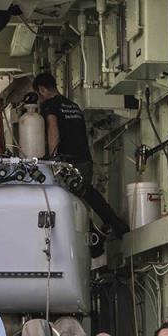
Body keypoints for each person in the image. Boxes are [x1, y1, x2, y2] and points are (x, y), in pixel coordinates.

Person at [32, 72, 128, 238]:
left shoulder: (49, 105)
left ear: (42, 90)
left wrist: (53, 158)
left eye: (38, 95)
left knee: (67, 202)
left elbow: (53, 129)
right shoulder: (74, 106)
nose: (39, 100)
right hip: (84, 161)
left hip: (66, 162)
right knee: (85, 195)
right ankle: (114, 224)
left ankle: (91, 237)